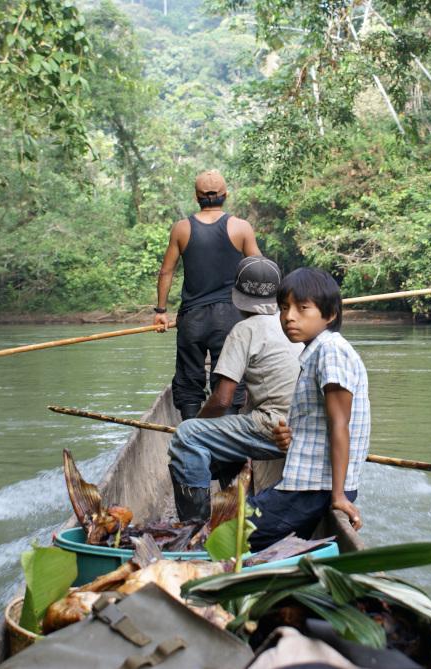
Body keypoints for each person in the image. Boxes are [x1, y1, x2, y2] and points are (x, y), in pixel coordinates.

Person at [169, 256, 303, 522]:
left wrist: (198, 427)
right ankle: (237, 504)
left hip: (273, 427)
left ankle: (193, 526)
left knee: (186, 436)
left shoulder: (244, 330)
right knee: (226, 428)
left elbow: (222, 399)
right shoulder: (292, 323)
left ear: (237, 296)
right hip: (300, 426)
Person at [248, 268, 370, 550]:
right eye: (284, 308)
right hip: (309, 483)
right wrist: (290, 440)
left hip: (316, 489)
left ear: (330, 315)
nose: (289, 316)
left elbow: (341, 425)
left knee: (226, 527)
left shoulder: (331, 351)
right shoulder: (318, 351)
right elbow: (320, 425)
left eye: (302, 308)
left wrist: (338, 496)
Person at [153, 170, 260, 420]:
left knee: (189, 382)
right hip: (230, 319)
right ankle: (228, 443)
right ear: (225, 195)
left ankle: (191, 436)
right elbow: (260, 270)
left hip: (192, 320)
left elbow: (166, 272)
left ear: (196, 197)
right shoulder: (241, 228)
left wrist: (160, 312)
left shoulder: (181, 229)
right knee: (229, 379)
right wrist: (261, 309)